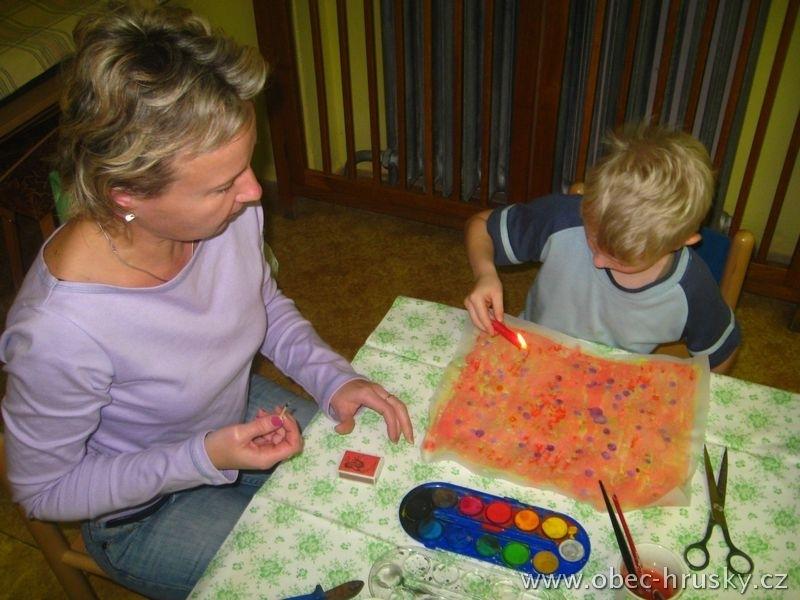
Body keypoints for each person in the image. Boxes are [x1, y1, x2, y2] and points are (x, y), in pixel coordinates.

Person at [0, 4, 412, 599]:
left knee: (388, 496)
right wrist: (202, 457)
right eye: (223, 184)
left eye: (246, 166)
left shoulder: (228, 213)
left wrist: (333, 378)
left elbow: (260, 302)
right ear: (125, 195)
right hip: (143, 511)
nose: (253, 192)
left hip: (231, 416)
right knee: (330, 576)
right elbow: (43, 491)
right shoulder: (60, 330)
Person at [464, 124, 740, 373]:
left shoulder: (692, 289)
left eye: (621, 259)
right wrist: (485, 273)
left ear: (682, 241)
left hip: (610, 386)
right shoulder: (563, 220)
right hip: (530, 359)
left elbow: (721, 353)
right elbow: (480, 225)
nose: (597, 262)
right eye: (592, 239)